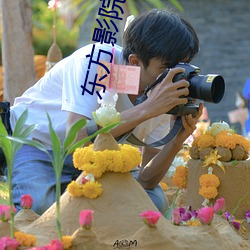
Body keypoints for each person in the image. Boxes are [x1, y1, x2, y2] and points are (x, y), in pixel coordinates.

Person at [6, 9, 202, 215]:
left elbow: (146, 180)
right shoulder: (98, 61)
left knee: (152, 202)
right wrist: (147, 108)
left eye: (182, 66)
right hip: (37, 144)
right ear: (135, 62)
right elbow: (76, 140)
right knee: (39, 208)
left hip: (96, 157)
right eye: (167, 68)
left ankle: (71, 199)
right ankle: (65, 197)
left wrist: (176, 140)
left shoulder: (165, 89)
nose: (175, 76)